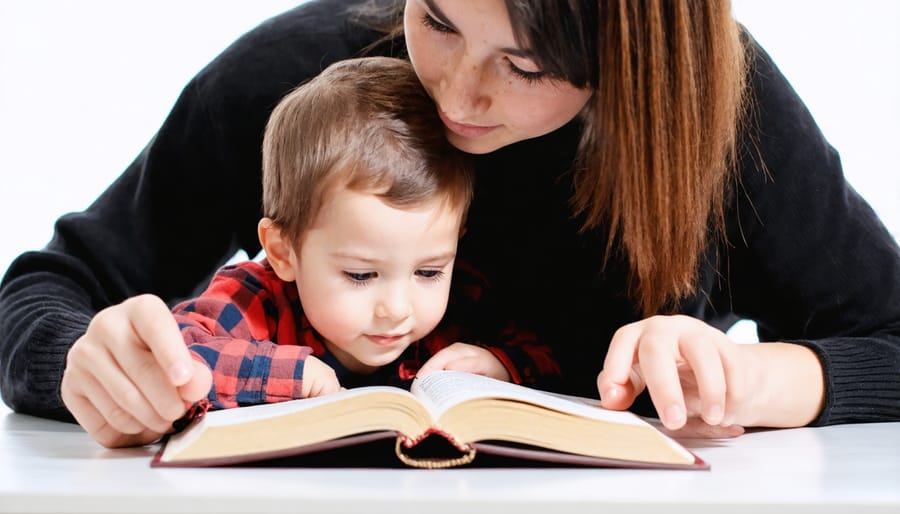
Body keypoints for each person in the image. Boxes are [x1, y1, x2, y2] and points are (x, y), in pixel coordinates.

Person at [2, 0, 899, 449]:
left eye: (525, 64)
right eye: (435, 18)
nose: (459, 95)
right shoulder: (304, 82)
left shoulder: (715, 118)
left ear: (631, 63)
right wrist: (81, 363)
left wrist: (744, 378)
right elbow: (47, 289)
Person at [172, 56, 558, 410]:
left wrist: (500, 366)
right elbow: (179, 353)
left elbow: (550, 352)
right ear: (284, 251)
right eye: (361, 275)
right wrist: (292, 375)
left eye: (428, 273)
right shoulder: (256, 301)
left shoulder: (462, 301)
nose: (397, 309)